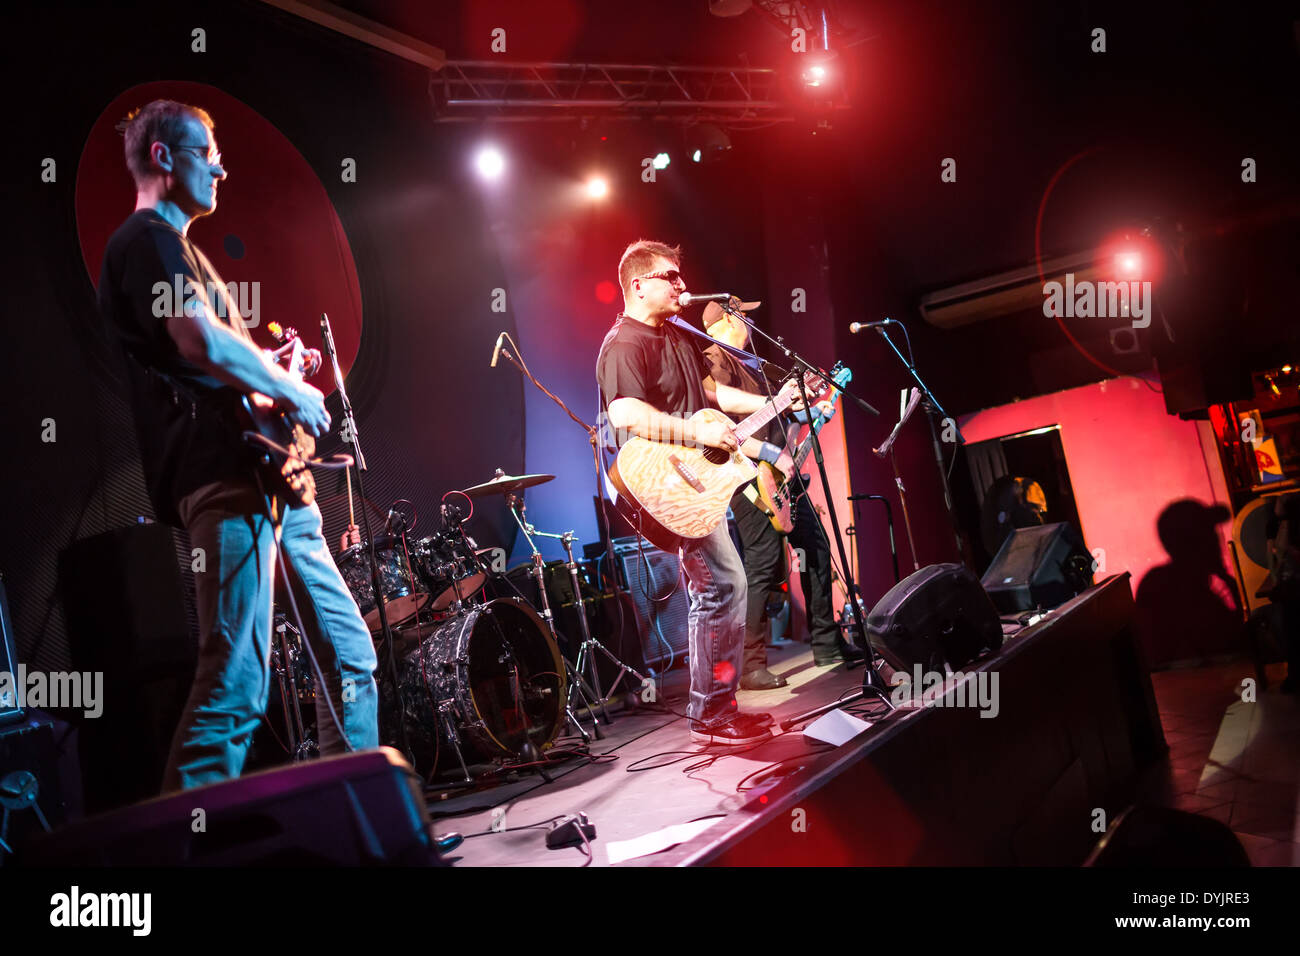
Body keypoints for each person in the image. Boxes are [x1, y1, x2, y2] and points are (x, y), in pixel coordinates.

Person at [97, 100, 379, 791]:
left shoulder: (179, 251)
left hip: (274, 480)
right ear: (165, 157)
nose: (221, 166)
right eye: (207, 152)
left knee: (349, 657)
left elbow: (219, 375)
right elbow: (196, 339)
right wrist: (300, 394)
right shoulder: (147, 242)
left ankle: (365, 832)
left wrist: (278, 373)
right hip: (226, 478)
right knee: (236, 682)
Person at [597, 241, 805, 745]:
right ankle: (712, 715)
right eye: (671, 277)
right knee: (723, 584)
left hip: (699, 479)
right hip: (664, 482)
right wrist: (695, 435)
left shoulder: (677, 334)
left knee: (722, 585)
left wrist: (775, 400)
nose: (682, 285)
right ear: (639, 284)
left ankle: (717, 710)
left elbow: (710, 394)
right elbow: (625, 416)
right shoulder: (624, 343)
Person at [700, 301, 864, 688]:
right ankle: (752, 664)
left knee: (816, 546)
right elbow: (717, 408)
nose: (752, 321)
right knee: (762, 565)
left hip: (782, 475)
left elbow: (783, 414)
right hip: (747, 476)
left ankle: (827, 643)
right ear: (726, 319)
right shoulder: (712, 358)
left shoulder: (751, 363)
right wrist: (770, 453)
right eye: (744, 315)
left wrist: (814, 409)